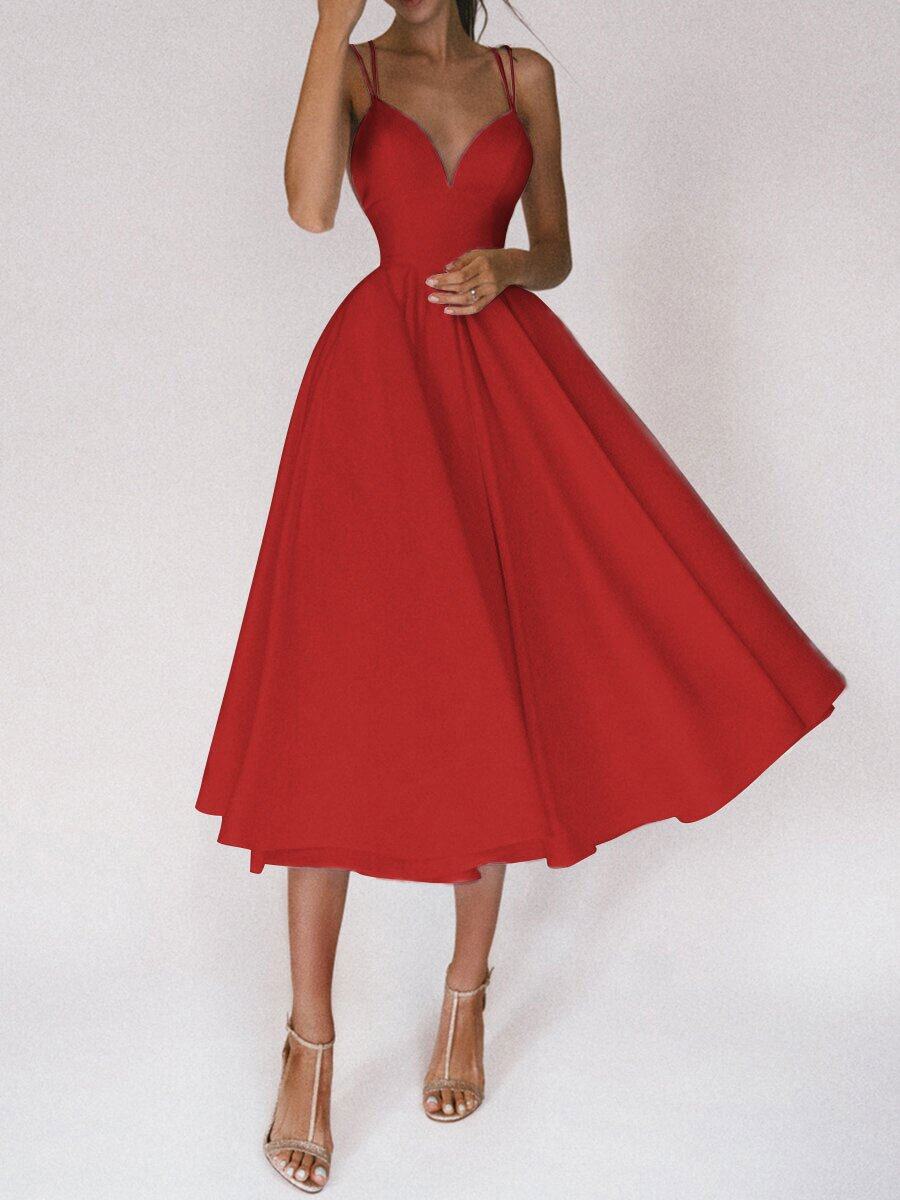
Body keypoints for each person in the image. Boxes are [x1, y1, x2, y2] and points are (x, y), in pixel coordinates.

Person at [195, 0, 846, 1191]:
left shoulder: (522, 76)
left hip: (499, 384)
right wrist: (326, 28)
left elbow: (555, 248)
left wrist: (507, 267)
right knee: (335, 703)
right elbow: (310, 208)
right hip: (376, 393)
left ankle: (465, 993)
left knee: (493, 673)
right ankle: (310, 1041)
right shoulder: (355, 67)